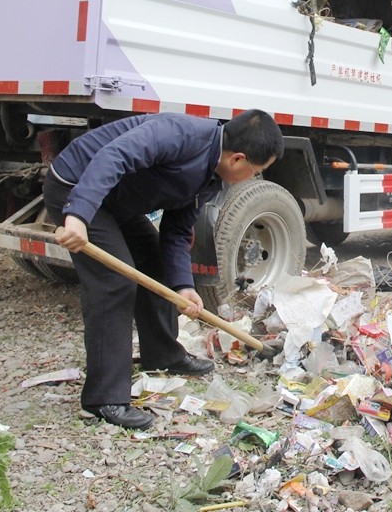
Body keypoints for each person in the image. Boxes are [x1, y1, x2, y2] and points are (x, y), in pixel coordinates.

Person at [43, 110, 284, 430]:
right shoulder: (179, 134)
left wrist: (184, 287)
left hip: (116, 203)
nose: (253, 178)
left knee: (156, 265)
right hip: (75, 188)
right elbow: (114, 156)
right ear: (237, 159)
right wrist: (78, 215)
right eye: (256, 171)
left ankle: (163, 354)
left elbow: (177, 231)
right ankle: (104, 399)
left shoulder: (211, 176)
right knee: (115, 282)